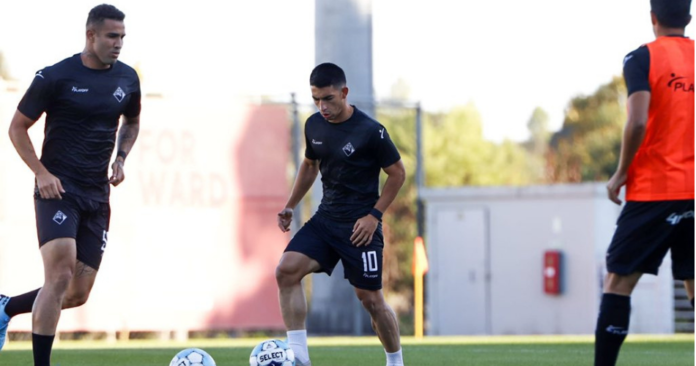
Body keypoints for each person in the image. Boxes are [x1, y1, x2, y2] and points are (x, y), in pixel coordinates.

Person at [0, 4, 140, 365]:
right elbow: (17, 128)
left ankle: (6, 307)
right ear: (90, 35)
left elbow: (132, 121)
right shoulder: (55, 77)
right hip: (57, 191)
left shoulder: (127, 79)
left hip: (98, 195)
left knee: (77, 293)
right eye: (112, 36)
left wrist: (121, 158)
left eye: (122, 36)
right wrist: (41, 173)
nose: (119, 43)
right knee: (60, 275)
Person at [276, 63, 406, 366]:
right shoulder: (314, 125)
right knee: (286, 270)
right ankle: (299, 359)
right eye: (316, 99)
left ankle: (395, 362)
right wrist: (290, 205)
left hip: (360, 226)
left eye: (329, 98)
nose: (322, 106)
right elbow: (310, 165)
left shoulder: (371, 131)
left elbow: (398, 174)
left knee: (371, 300)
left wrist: (374, 215)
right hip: (326, 220)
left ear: (344, 93)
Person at [596, 0, 694, 365]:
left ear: (653, 18)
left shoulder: (641, 58)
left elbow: (637, 122)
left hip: (657, 189)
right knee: (693, 282)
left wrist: (621, 172)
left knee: (618, 283)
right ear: (688, 17)